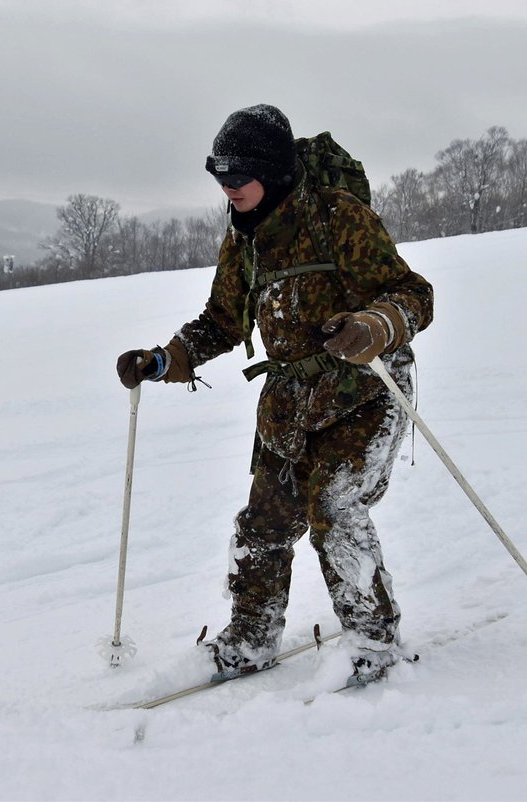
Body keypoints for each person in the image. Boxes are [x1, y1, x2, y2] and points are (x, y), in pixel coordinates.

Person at [116, 104, 434, 686]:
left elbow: (413, 293)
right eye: (219, 176)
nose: (228, 188)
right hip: (290, 404)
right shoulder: (245, 238)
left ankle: (373, 641)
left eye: (239, 176)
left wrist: (374, 325)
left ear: (273, 172)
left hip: (364, 391)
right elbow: (222, 318)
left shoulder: (337, 216)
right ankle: (252, 636)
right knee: (262, 525)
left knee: (335, 509)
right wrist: (165, 360)